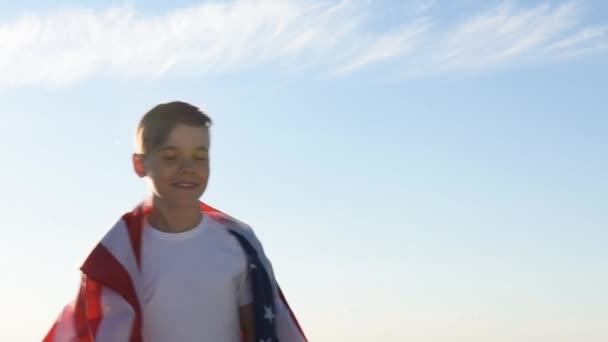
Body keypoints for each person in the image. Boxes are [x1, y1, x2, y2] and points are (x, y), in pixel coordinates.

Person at [43, 101, 307, 342]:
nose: (188, 167)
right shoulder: (117, 258)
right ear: (140, 165)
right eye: (171, 156)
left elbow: (261, 331)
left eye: (200, 156)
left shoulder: (238, 243)